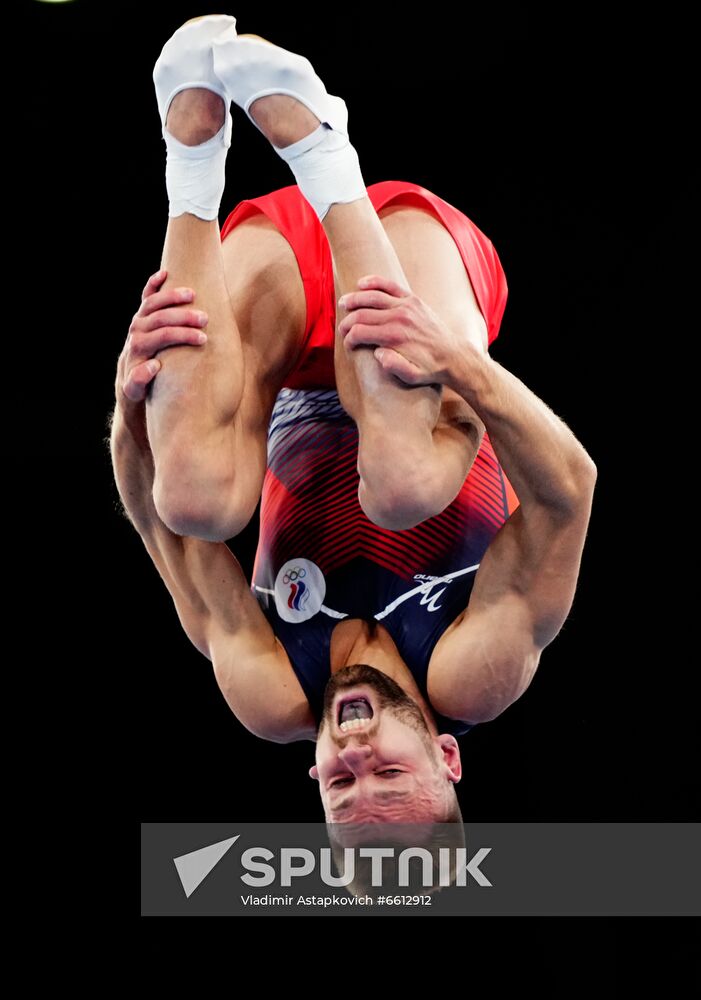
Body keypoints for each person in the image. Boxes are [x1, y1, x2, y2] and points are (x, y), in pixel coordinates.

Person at [110, 16, 596, 825]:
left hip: (284, 320)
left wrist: (131, 399)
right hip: (411, 286)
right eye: (391, 780)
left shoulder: (271, 691)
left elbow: (162, 533)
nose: (357, 762)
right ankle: (324, 154)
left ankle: (191, 159)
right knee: (402, 486)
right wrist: (464, 363)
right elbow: (570, 491)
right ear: (447, 758)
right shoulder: (472, 670)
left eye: (341, 786)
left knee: (190, 497)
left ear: (316, 780)